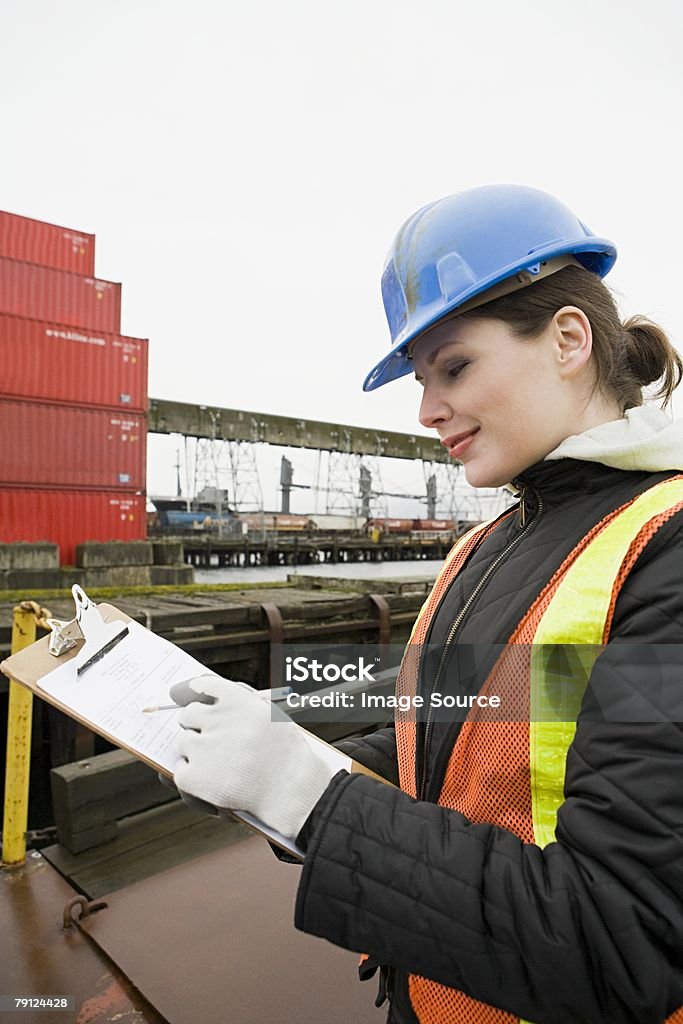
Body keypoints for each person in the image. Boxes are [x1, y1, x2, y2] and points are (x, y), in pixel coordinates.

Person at [170, 184, 683, 1024]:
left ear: (566, 339)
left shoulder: (663, 550)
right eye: (419, 378)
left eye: (454, 366)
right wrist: (269, 750)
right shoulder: (489, 547)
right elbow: (464, 736)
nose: (425, 410)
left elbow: (620, 941)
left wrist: (311, 798)